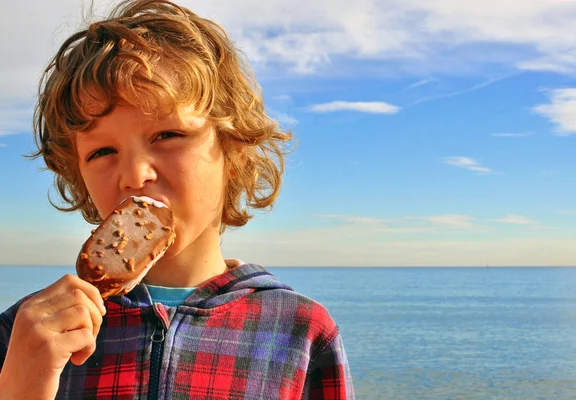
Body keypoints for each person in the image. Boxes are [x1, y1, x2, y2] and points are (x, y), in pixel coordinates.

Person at [0, 0, 354, 398]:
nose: (134, 175)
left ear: (234, 151)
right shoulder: (26, 335)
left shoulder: (299, 332)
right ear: (78, 175)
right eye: (102, 152)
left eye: (167, 136)